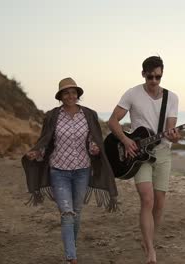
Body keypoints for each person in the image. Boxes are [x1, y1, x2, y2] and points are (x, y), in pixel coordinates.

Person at [22, 77, 118, 264]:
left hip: (82, 170)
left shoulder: (89, 114)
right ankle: (71, 258)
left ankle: (70, 248)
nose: (70, 95)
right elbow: (46, 141)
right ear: (60, 96)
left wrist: (95, 148)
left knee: (77, 212)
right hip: (58, 171)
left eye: (73, 92)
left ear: (78, 95)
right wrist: (37, 153)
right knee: (67, 213)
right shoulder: (52, 116)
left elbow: (93, 139)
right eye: (66, 92)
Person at [108, 56, 180, 264]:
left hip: (163, 152)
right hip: (139, 155)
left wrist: (175, 135)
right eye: (150, 76)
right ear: (143, 74)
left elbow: (170, 129)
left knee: (159, 203)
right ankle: (150, 250)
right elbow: (113, 121)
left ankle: (148, 238)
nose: (155, 81)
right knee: (147, 199)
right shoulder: (132, 94)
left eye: (158, 76)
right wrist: (125, 140)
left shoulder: (172, 98)